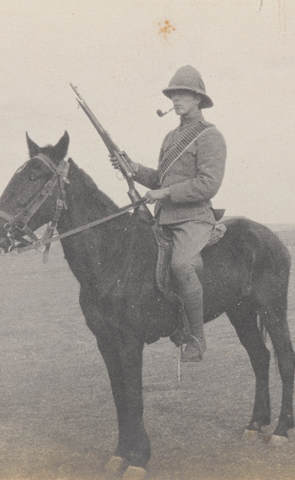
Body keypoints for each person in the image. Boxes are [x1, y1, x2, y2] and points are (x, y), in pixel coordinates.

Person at [111, 65, 227, 362]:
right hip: (164, 218)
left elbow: (208, 184)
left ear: (198, 100)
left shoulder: (211, 137)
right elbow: (162, 178)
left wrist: (164, 194)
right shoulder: (169, 137)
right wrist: (132, 168)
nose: (176, 101)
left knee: (182, 266)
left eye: (183, 96)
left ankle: (196, 339)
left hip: (194, 219)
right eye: (174, 95)